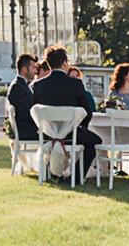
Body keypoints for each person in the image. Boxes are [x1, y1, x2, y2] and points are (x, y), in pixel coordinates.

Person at [32, 45, 102, 184]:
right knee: (95, 142)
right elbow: (87, 113)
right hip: (71, 134)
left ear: (49, 64)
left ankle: (52, 174)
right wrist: (80, 128)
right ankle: (74, 178)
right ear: (64, 63)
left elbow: (36, 110)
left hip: (47, 135)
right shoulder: (76, 84)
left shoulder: (38, 85)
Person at [7, 53, 39, 141]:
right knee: (57, 135)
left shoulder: (22, 85)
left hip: (28, 129)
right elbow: (24, 114)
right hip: (27, 131)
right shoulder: (17, 87)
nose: (36, 71)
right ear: (24, 69)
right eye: (33, 68)